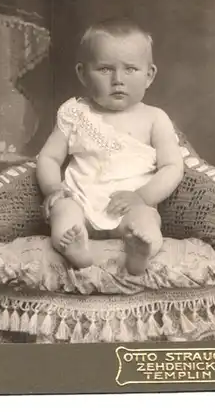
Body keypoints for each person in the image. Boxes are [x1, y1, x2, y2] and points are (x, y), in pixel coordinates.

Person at [36, 18, 184, 275]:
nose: (118, 80)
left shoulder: (154, 118)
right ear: (82, 73)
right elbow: (49, 157)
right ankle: (76, 246)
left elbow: (172, 166)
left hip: (130, 206)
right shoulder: (75, 114)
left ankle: (140, 252)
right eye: (105, 69)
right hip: (81, 200)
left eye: (130, 69)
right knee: (63, 211)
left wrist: (142, 197)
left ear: (149, 75)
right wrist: (54, 189)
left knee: (147, 221)